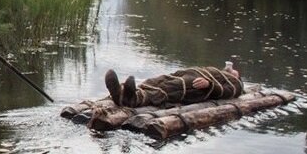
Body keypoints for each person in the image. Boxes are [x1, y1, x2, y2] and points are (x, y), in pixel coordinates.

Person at [104, 64, 243, 107]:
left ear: (237, 76)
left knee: (169, 89)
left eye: (233, 70)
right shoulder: (222, 72)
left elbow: (226, 93)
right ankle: (125, 93)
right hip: (185, 74)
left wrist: (209, 84)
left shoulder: (237, 84)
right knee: (156, 81)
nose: (231, 69)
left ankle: (132, 100)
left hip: (195, 86)